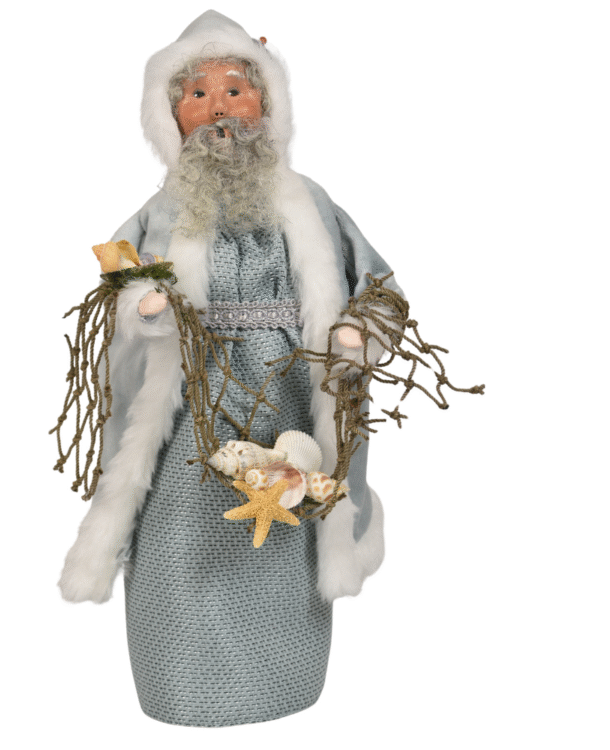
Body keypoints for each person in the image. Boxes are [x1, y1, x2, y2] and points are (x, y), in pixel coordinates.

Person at [58, 11, 403, 726]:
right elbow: (118, 281)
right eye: (198, 94)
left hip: (289, 396)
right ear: (171, 117)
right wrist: (145, 305)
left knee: (293, 521)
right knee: (178, 533)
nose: (218, 107)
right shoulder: (160, 211)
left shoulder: (311, 203)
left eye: (235, 90)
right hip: (193, 402)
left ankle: (285, 678)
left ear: (266, 104)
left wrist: (357, 329)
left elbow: (379, 285)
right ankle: (181, 681)